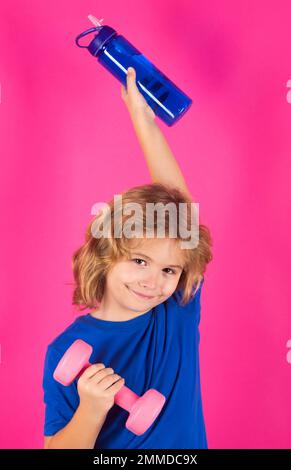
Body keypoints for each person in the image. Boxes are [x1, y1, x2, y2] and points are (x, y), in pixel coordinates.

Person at [42, 67, 213, 449]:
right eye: (139, 262)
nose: (154, 282)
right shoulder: (64, 350)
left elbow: (182, 215)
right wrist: (91, 409)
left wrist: (143, 118)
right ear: (105, 255)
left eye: (169, 269)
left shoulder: (176, 312)